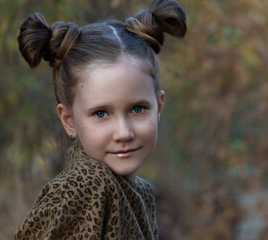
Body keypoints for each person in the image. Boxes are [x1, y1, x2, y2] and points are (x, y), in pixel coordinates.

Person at [15, 0, 186, 239]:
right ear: (69, 120)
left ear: (158, 106)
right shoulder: (84, 187)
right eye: (101, 113)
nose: (124, 133)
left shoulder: (139, 191)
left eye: (137, 109)